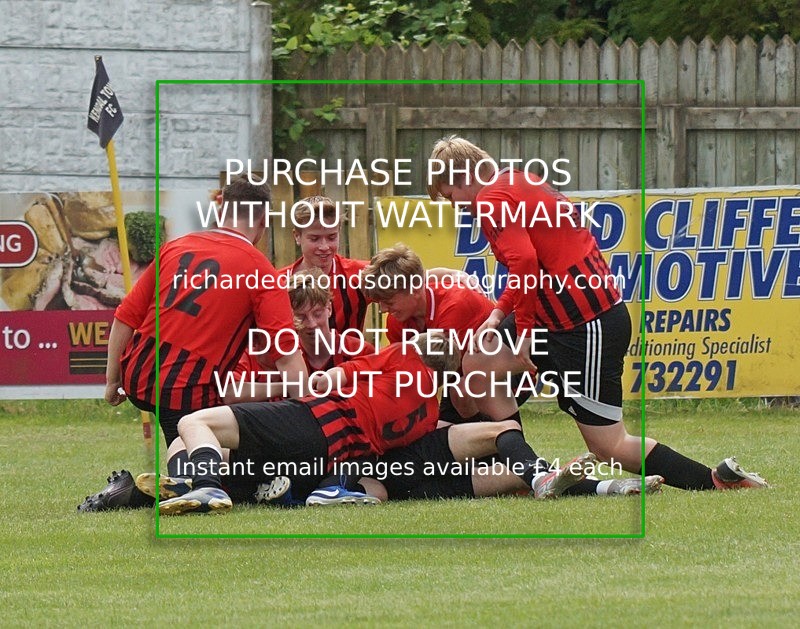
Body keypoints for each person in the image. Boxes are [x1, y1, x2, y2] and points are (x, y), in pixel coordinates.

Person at [426, 135, 768, 491]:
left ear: (464, 176)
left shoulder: (491, 199)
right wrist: (498, 316)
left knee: (609, 446)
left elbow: (525, 263)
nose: (455, 206)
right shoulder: (517, 181)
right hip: (560, 318)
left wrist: (523, 330)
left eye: (450, 196)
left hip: (585, 327)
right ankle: (525, 469)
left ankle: (717, 482)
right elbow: (533, 265)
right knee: (481, 361)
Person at [79, 177, 308, 512]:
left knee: (188, 441)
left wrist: (113, 380)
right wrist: (310, 408)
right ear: (262, 221)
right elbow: (287, 356)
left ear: (220, 210)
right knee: (236, 450)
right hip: (189, 385)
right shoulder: (259, 269)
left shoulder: (176, 247)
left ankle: (182, 479)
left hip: (141, 373)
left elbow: (124, 318)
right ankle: (149, 491)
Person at [158, 332, 461, 515]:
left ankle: (206, 486)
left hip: (314, 419)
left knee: (194, 422)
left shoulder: (405, 354)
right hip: (329, 462)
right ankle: (201, 482)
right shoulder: (430, 414)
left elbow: (333, 377)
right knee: (227, 458)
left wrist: (315, 380)